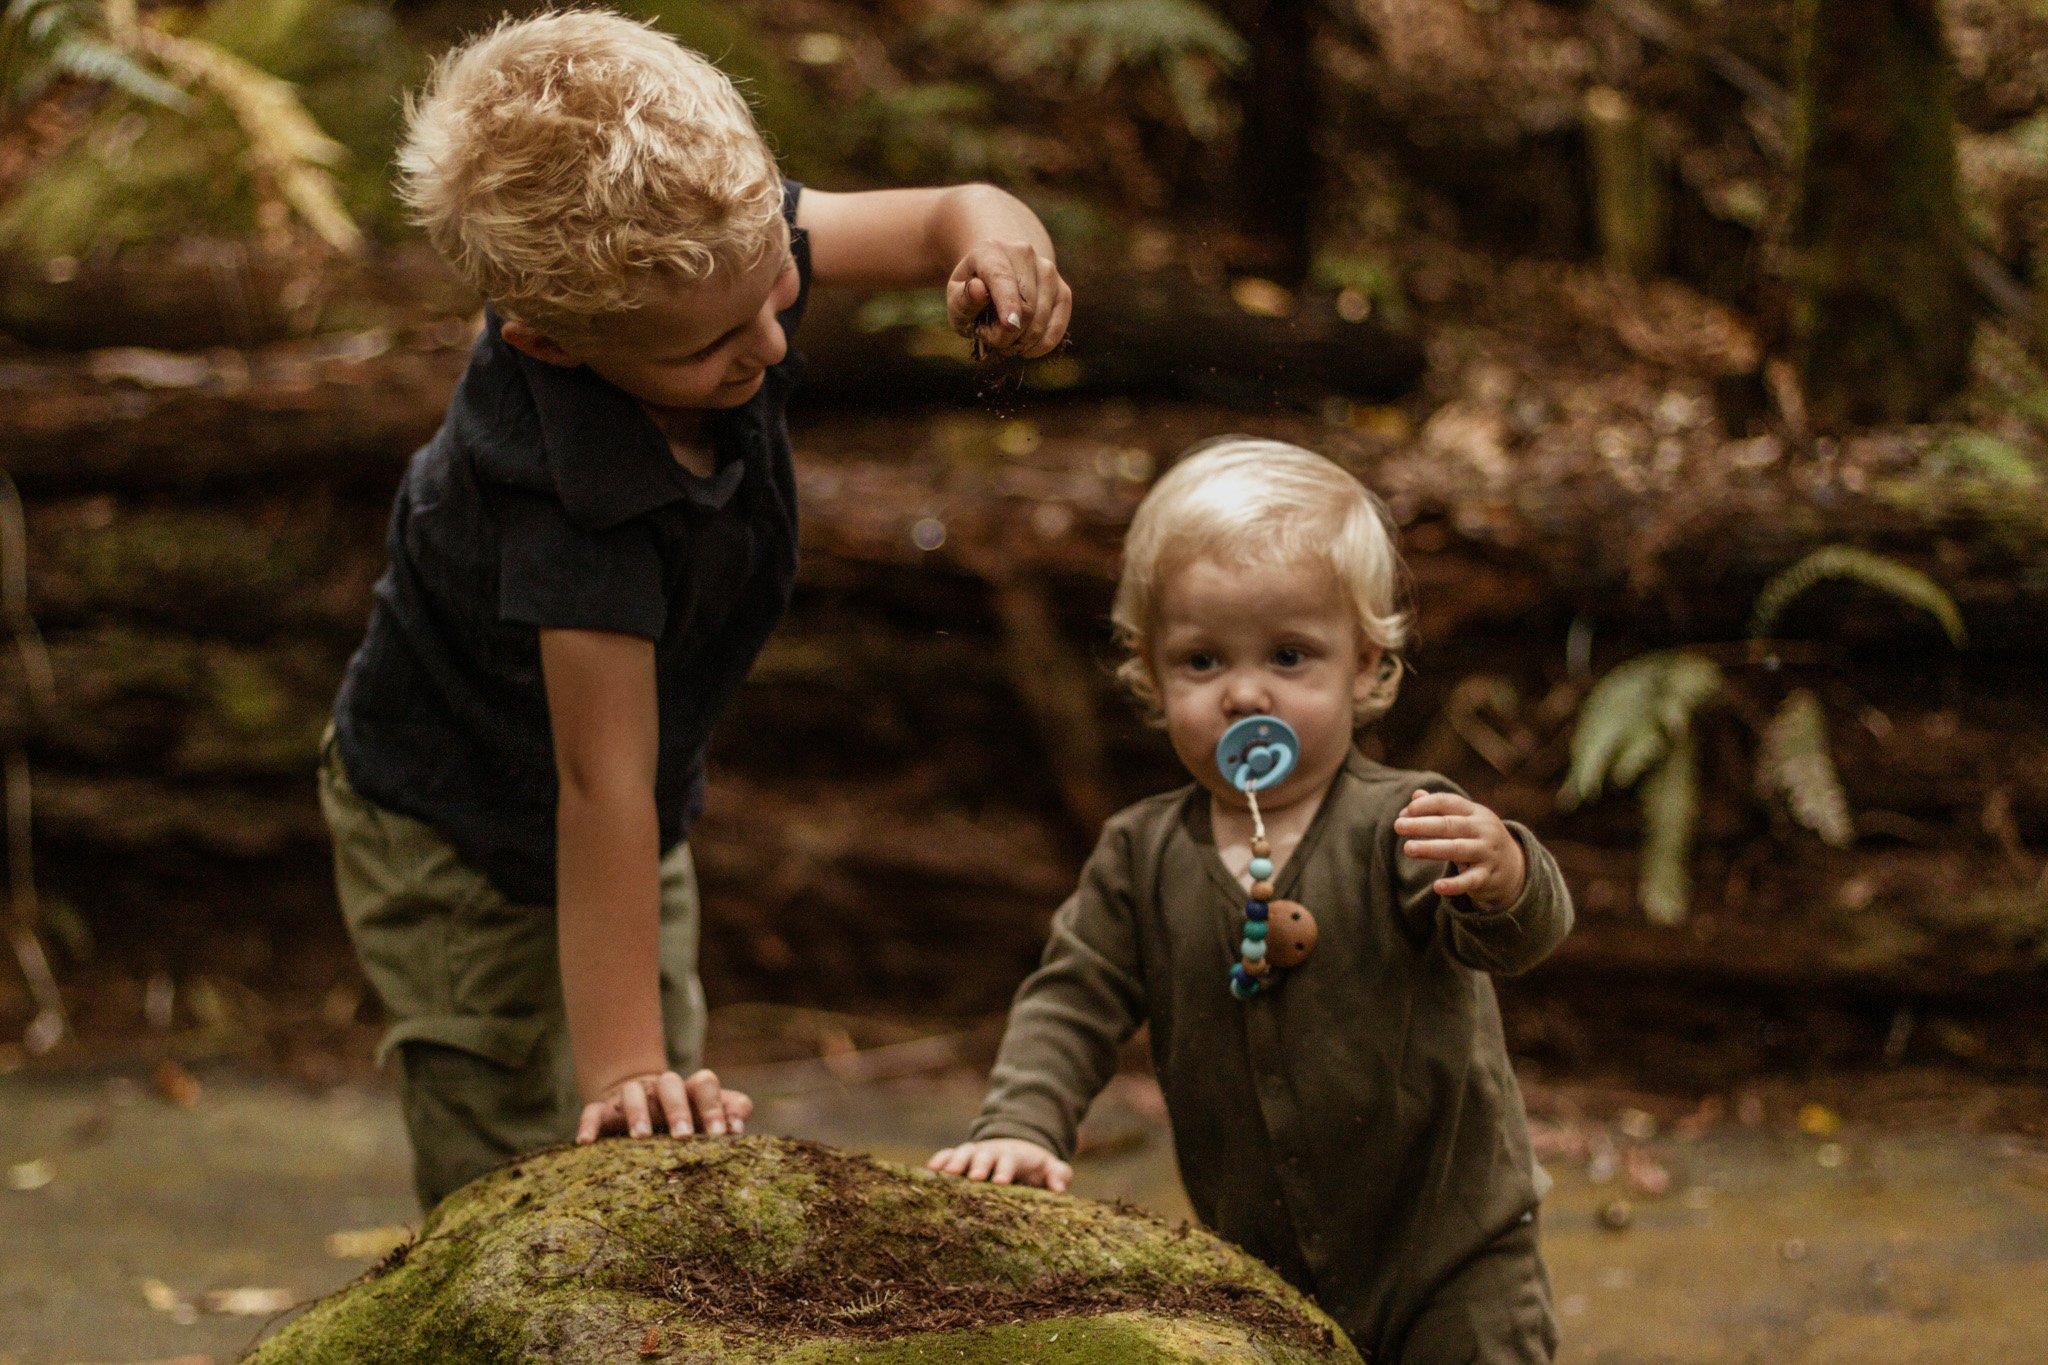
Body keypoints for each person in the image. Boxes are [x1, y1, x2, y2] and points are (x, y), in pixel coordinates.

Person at [321, 8, 1072, 1209]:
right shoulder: (571, 511)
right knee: (519, 1124)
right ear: (550, 344)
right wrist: (623, 1070)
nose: (772, 345)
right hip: (456, 829)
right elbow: (594, 787)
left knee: (666, 1090)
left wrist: (997, 242)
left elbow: (947, 210)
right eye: (717, 347)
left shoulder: (710, 256)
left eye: (778, 288)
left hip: (627, 796)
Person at [927, 437, 1572, 1362]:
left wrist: (1507, 874)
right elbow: (1071, 999)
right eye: (1201, 661)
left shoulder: (1407, 821)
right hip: (1262, 1272)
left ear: (1363, 664)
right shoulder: (1140, 854)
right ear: (1149, 674)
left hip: (1454, 1251)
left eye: (1289, 654)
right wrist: (1021, 1125)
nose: (1243, 692)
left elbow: (1517, 938)